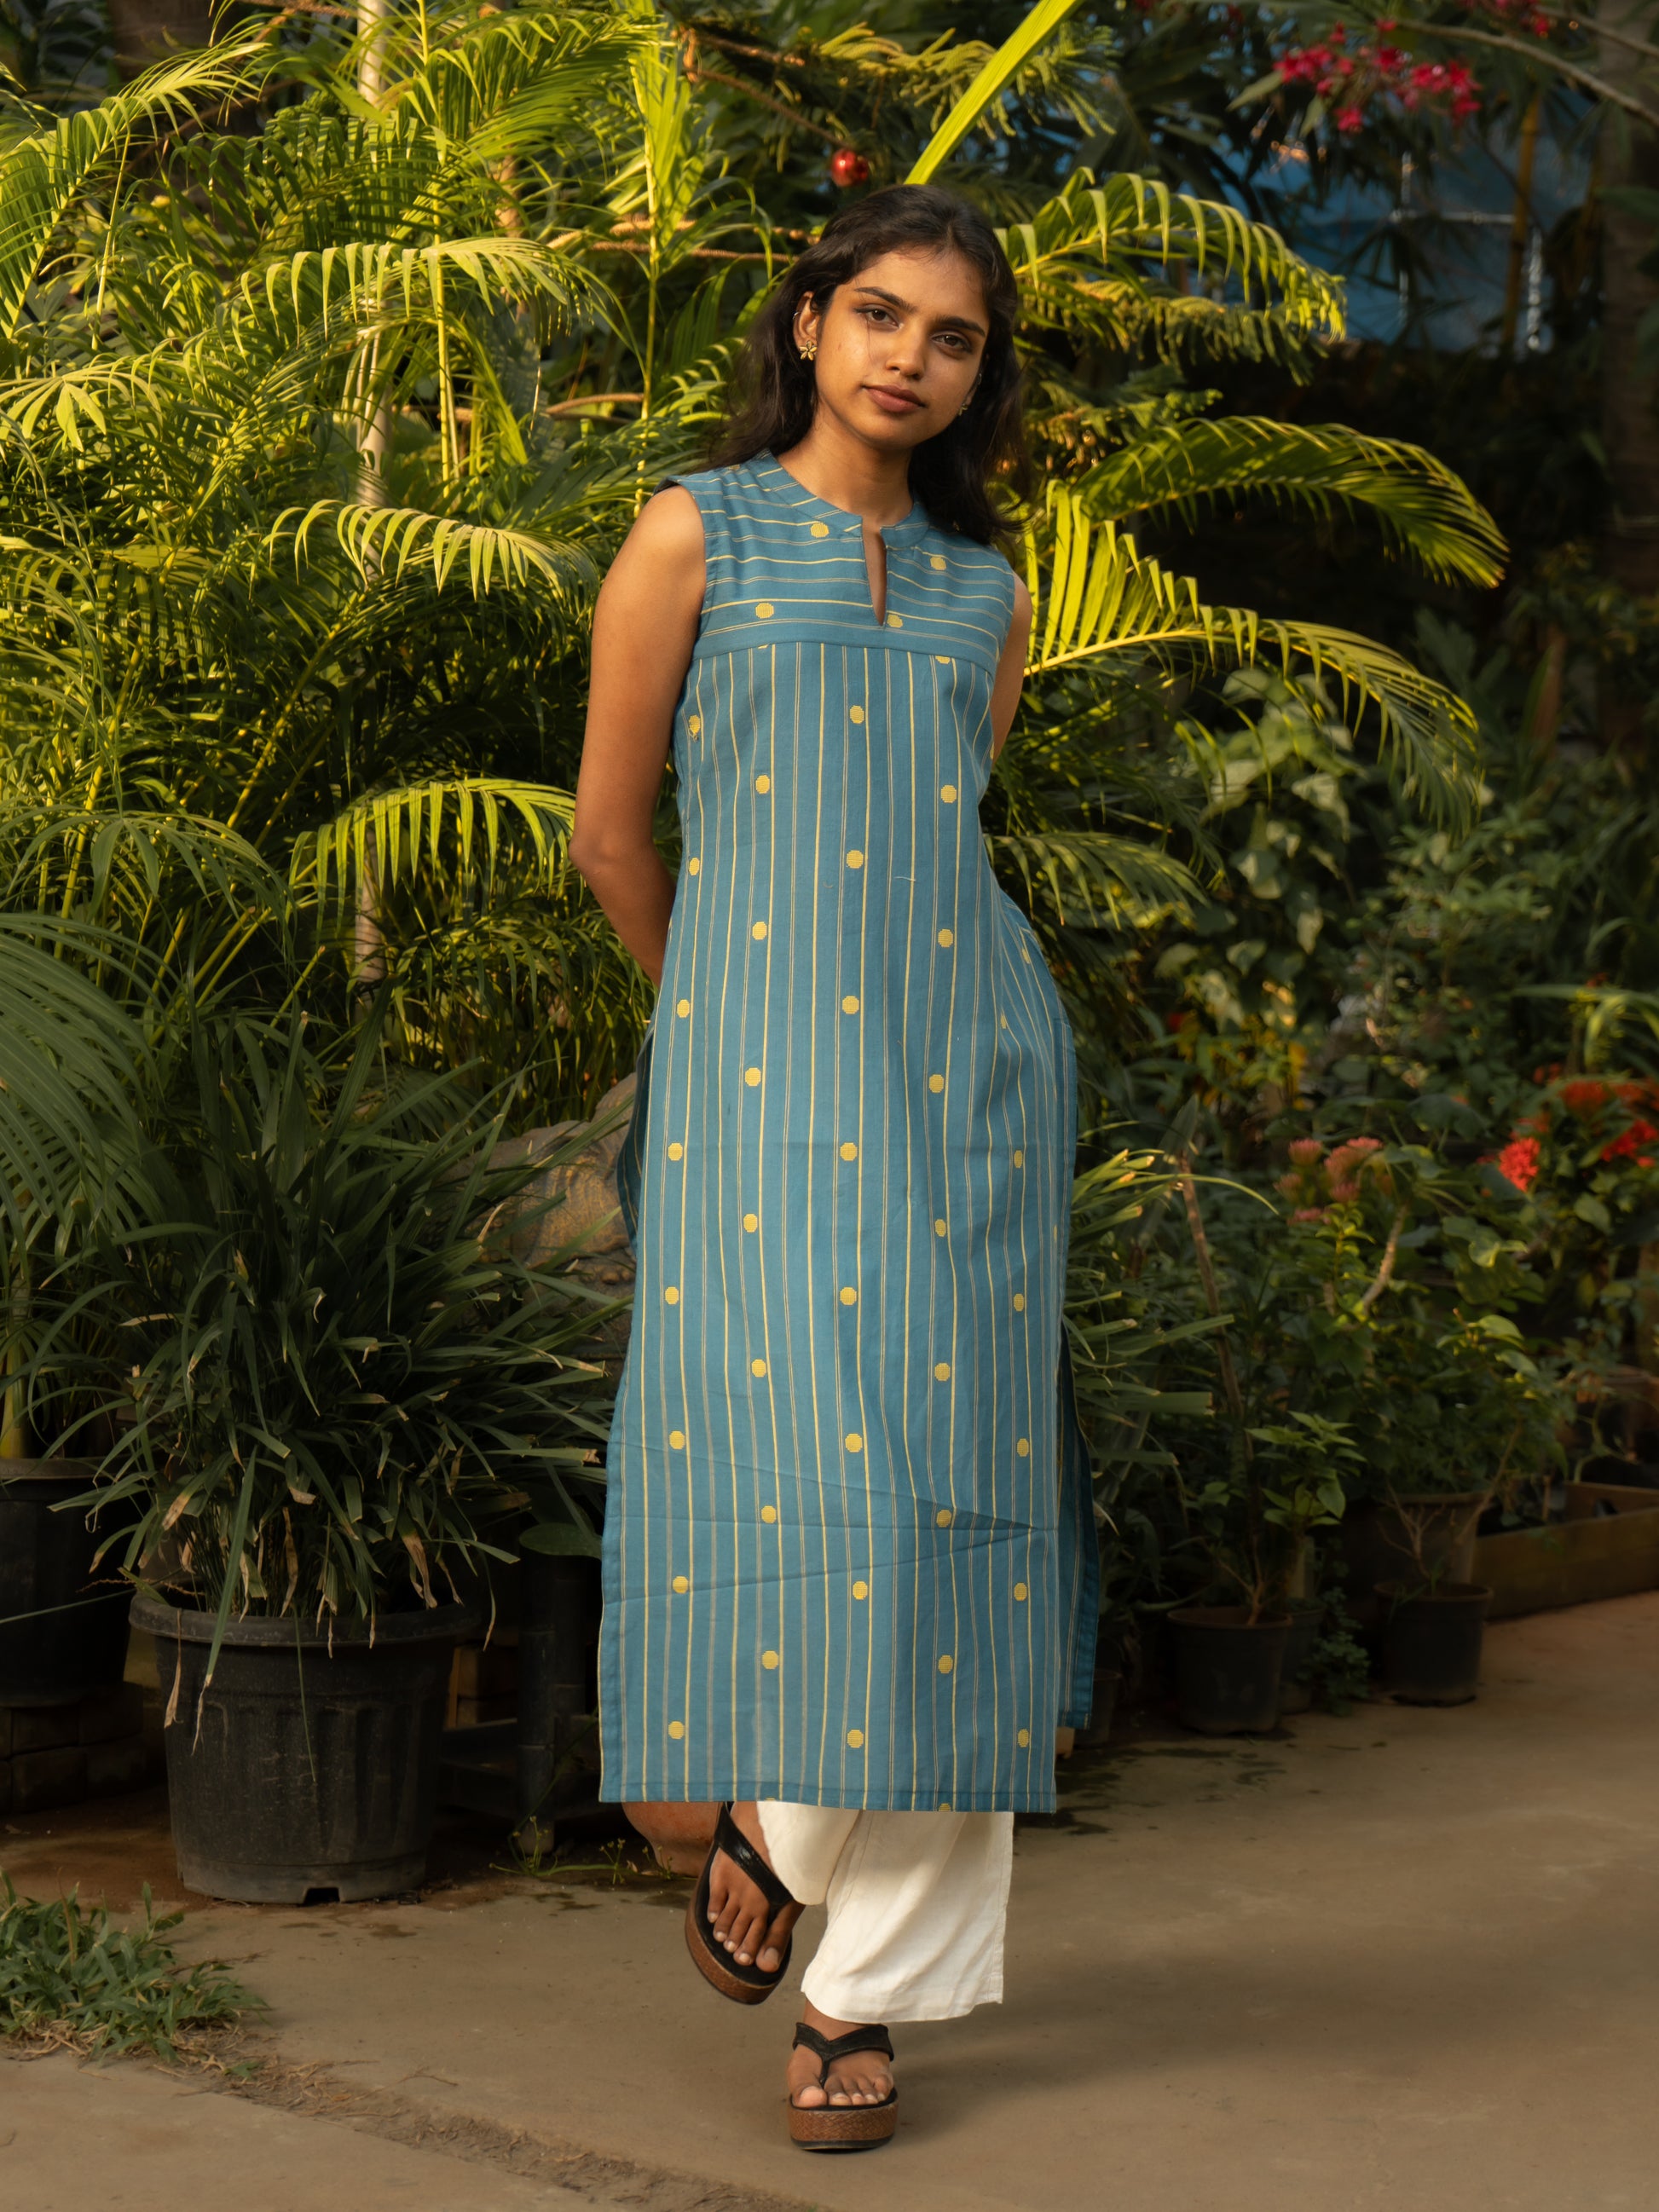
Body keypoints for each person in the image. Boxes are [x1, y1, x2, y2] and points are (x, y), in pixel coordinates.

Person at [570, 182, 1096, 2153]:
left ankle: (856, 1992)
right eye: (876, 313)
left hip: (975, 1083)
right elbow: (615, 834)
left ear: (976, 373)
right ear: (806, 322)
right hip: (757, 1091)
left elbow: (950, 839)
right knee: (816, 1461)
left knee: (967, 1482)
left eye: (948, 335)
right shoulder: (690, 535)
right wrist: (722, 1025)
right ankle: (778, 1826)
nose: (907, 356)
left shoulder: (986, 588)